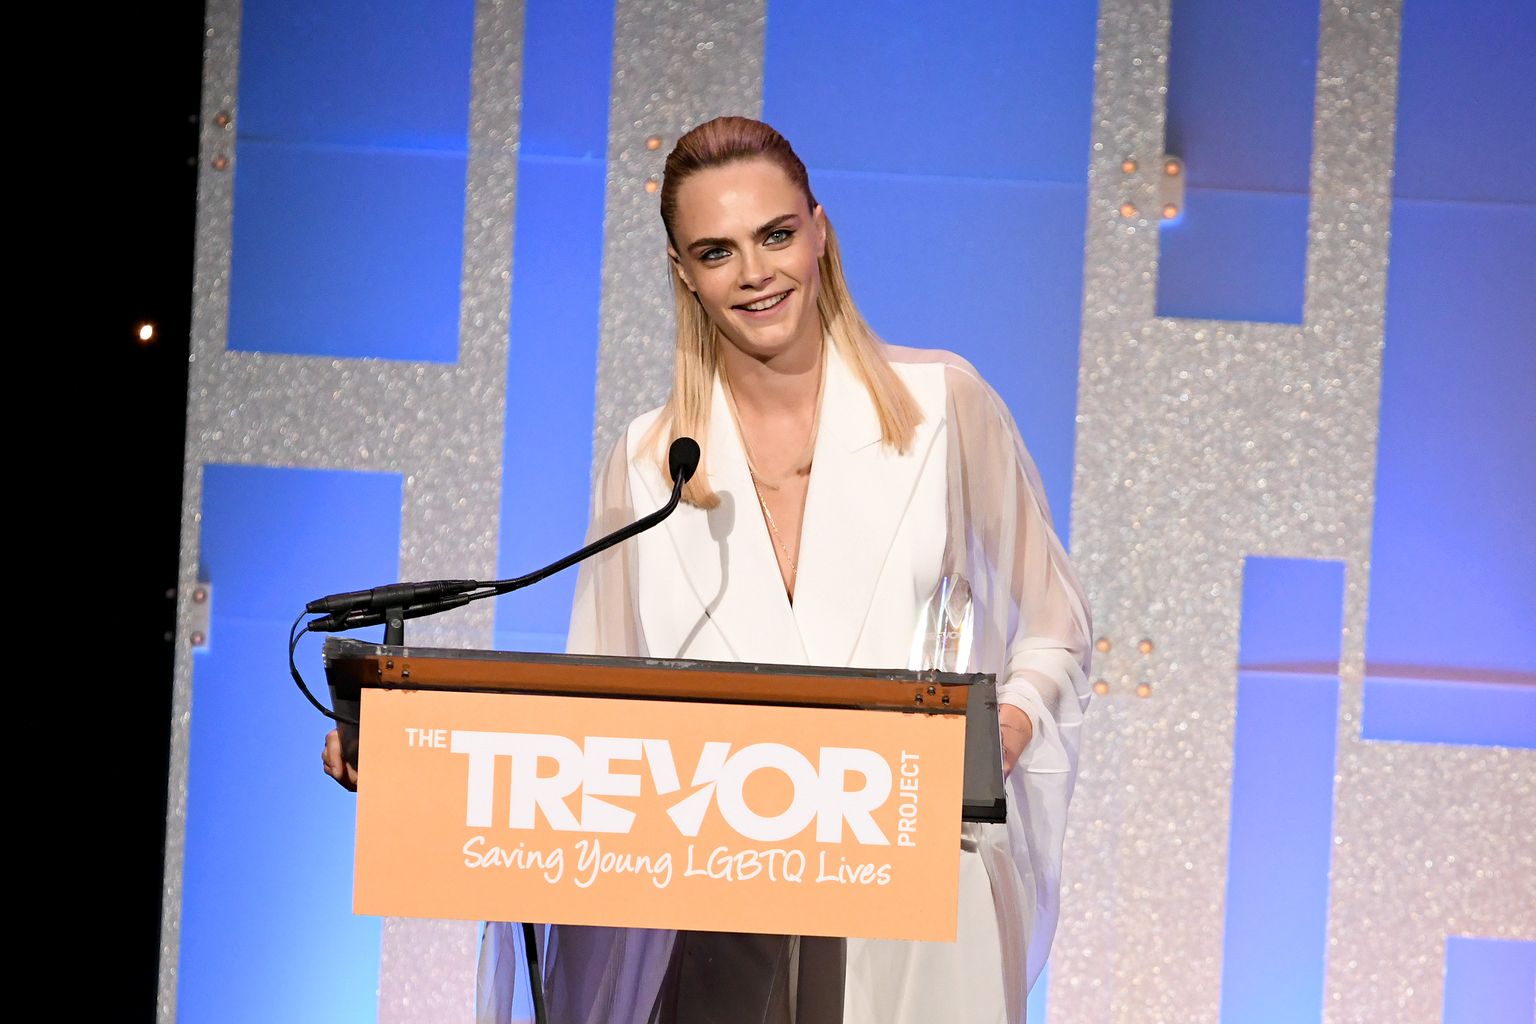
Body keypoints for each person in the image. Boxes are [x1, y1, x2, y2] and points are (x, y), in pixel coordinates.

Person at [326, 115, 1092, 1024]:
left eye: (776, 235)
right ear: (683, 271)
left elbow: (1057, 626)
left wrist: (1006, 727)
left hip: (921, 890)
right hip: (730, 911)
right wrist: (413, 759)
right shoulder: (650, 464)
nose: (755, 272)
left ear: (819, 231)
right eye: (717, 251)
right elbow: (594, 714)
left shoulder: (943, 407)